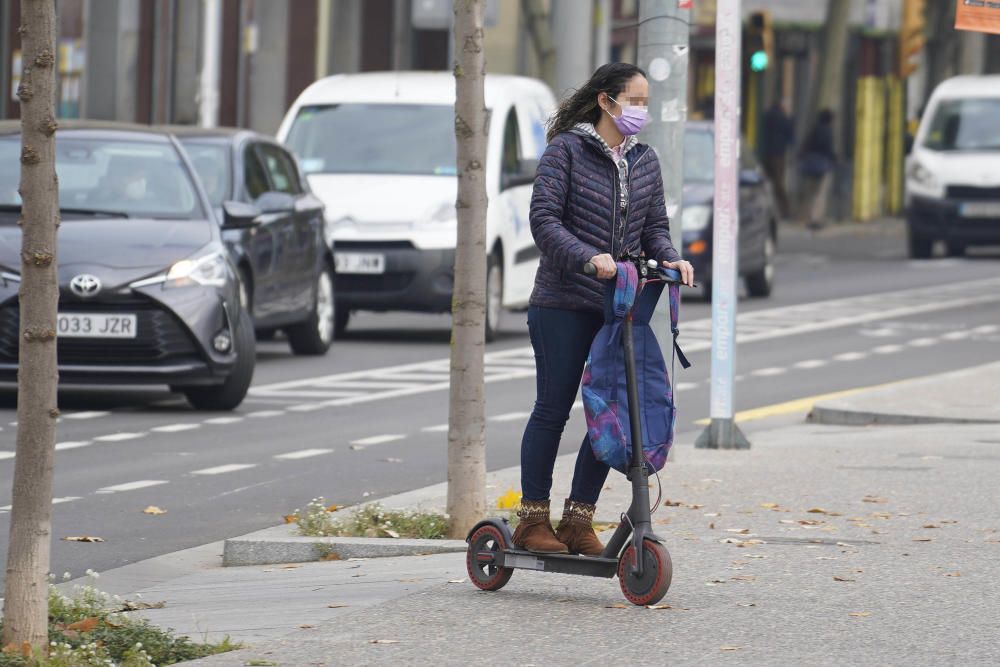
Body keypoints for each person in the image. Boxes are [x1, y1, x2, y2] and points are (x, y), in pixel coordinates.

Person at [513, 63, 694, 556]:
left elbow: (654, 227)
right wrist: (587, 259)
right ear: (606, 101)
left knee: (610, 410)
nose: (642, 110)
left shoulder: (645, 160)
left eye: (645, 101)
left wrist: (672, 258)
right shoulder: (566, 151)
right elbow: (543, 219)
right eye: (635, 100)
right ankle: (532, 521)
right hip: (562, 302)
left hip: (618, 305)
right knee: (552, 410)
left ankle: (577, 520)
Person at [798, 109, 837, 229]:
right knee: (820, 194)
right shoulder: (828, 131)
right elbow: (829, 149)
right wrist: (834, 159)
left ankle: (805, 217)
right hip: (822, 166)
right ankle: (816, 219)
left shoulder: (814, 129)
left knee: (809, 192)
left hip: (810, 165)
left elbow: (805, 146)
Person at [761, 99, 795, 218]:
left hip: (765, 153)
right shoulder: (784, 119)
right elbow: (790, 137)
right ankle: (785, 212)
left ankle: (765, 210)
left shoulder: (766, 116)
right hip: (779, 154)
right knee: (778, 184)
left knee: (762, 183)